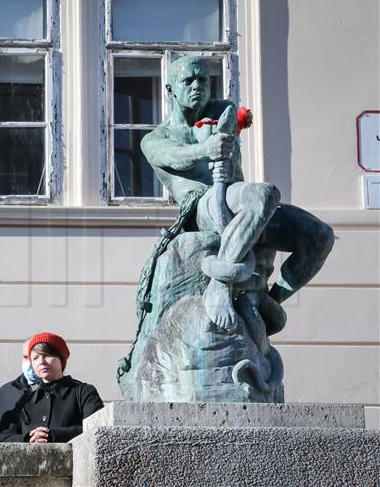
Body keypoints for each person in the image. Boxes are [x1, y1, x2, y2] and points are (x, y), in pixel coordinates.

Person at [140, 56, 334, 331]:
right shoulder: (155, 138)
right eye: (188, 80)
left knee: (320, 237)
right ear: (170, 89)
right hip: (202, 206)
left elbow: (229, 121)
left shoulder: (221, 114)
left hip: (242, 208)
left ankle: (269, 302)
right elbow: (175, 157)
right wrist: (206, 149)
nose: (198, 86)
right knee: (264, 194)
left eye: (204, 80)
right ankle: (219, 286)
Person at [0, 332, 103, 443]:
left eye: (47, 355)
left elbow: (97, 430)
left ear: (61, 357)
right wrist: (28, 438)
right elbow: (6, 436)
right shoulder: (26, 400)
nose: (41, 362)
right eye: (35, 358)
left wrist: (54, 435)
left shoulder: (84, 392)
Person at [0, 338, 41, 442]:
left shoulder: (60, 390)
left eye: (35, 357)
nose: (30, 363)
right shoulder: (6, 391)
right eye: (26, 357)